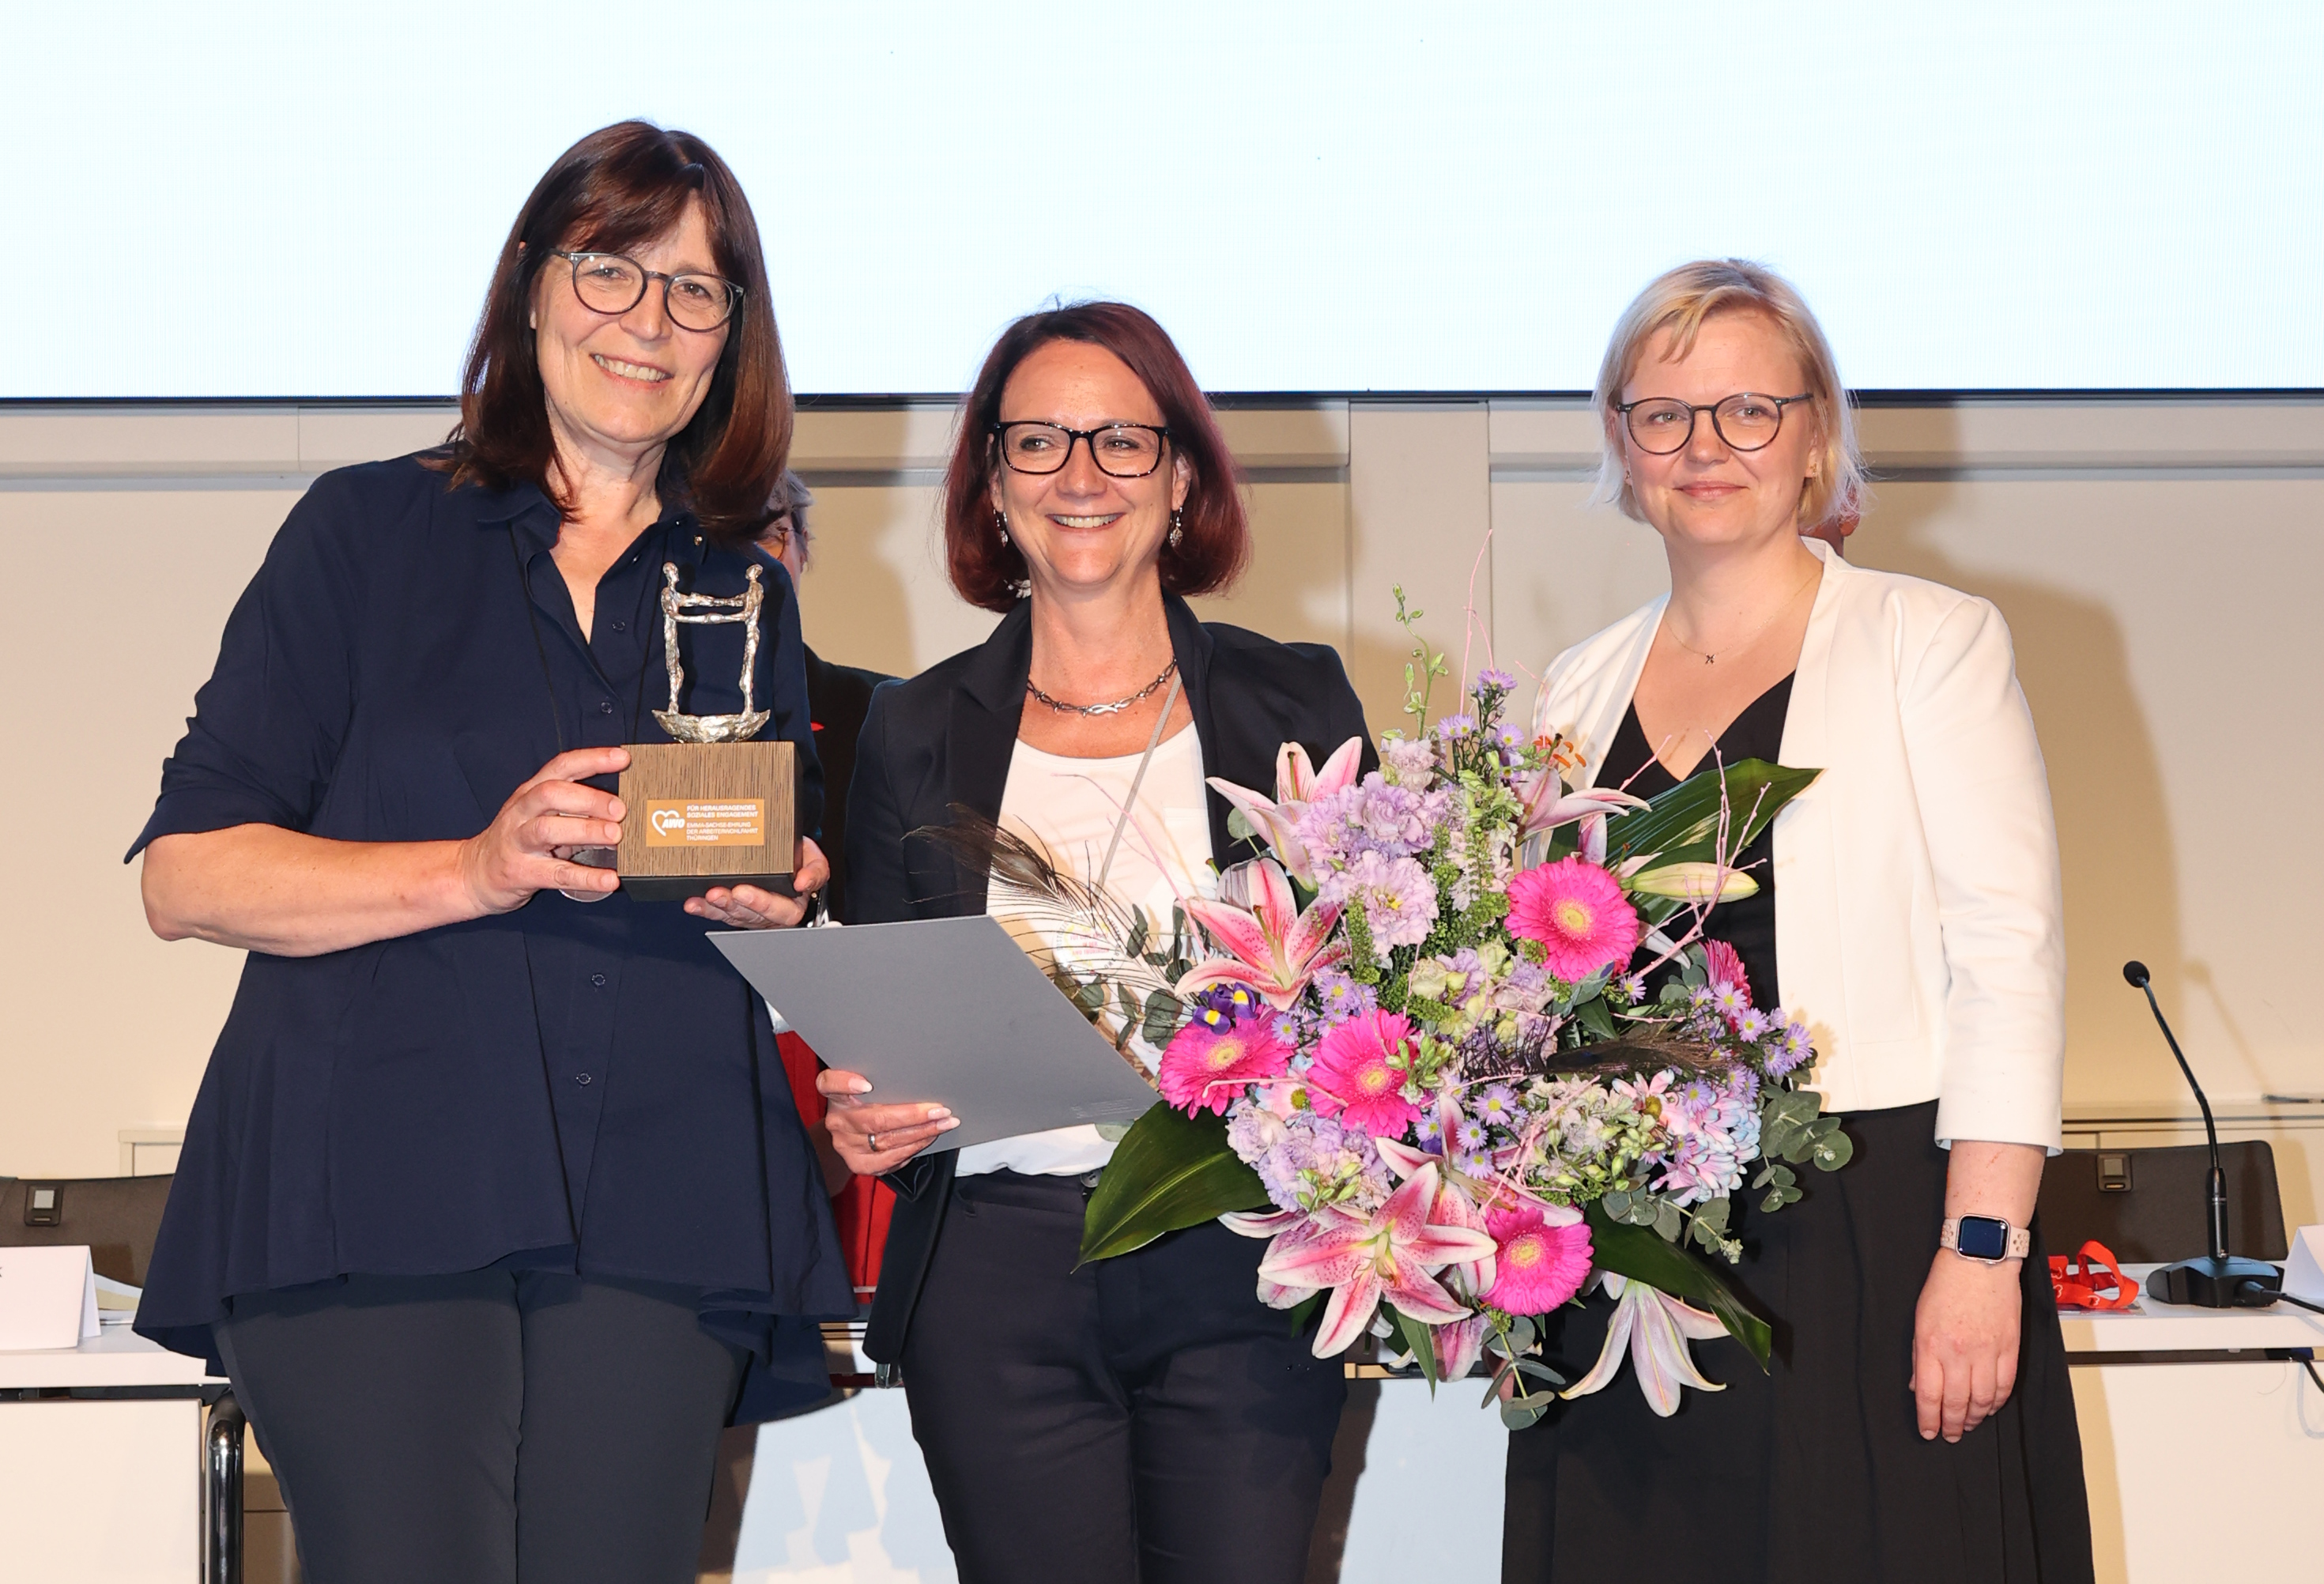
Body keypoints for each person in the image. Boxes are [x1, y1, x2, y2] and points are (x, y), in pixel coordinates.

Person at [129, 121, 851, 1584]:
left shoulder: (742, 588)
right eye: (611, 272)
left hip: (662, 1193)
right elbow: (185, 873)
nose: (649, 324)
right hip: (374, 1184)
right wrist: (475, 862)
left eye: (696, 292)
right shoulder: (367, 531)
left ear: (734, 337)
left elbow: (752, 867)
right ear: (530, 285)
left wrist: (779, 907)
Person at [1507, 260, 2094, 1583]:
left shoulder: (1929, 642)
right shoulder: (1572, 686)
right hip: (1629, 1234)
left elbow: (2009, 953)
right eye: (1664, 414)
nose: (1705, 447)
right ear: (1621, 443)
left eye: (1749, 411)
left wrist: (1983, 1251)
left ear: (1817, 432)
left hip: (1871, 1230)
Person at [818, 302, 1369, 1584]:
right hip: (995, 1268)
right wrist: (867, 1116)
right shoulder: (913, 727)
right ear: (991, 485)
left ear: (1182, 476)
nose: (1079, 475)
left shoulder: (1294, 698)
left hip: (1235, 1248)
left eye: (1120, 440)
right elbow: (889, 1005)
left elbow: (1373, 992)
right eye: (1038, 442)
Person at [756, 473, 901, 1294]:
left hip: (845, 1074)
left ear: (801, 552)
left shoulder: (887, 714)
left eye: (768, 532)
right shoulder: (600, 737)